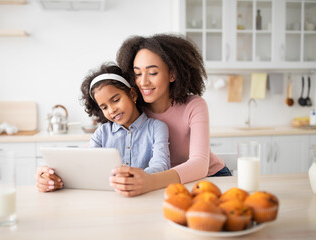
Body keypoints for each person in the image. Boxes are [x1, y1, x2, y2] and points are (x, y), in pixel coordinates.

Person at [109, 33, 231, 197]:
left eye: (152, 73)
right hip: (163, 184)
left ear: (172, 74)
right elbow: (95, 149)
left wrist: (150, 181)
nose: (143, 82)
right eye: (137, 74)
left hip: (210, 179)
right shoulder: (135, 110)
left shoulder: (194, 106)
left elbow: (200, 164)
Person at [35, 63, 170, 192]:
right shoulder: (102, 132)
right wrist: (50, 177)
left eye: (116, 100)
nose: (111, 110)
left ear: (133, 94)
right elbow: (86, 165)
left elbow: (161, 165)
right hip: (111, 198)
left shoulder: (156, 128)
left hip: (146, 195)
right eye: (104, 107)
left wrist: (136, 178)